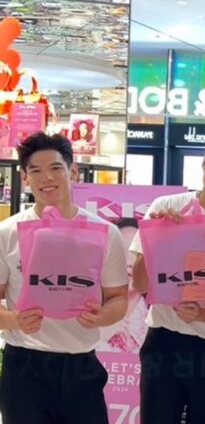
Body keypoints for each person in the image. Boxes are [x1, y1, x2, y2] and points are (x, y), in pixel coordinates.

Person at [0, 132, 128, 424]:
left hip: (81, 365)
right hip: (25, 366)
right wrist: (13, 320)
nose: (47, 178)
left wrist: (103, 315)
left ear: (73, 171)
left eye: (56, 168)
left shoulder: (105, 233)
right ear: (25, 177)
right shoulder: (7, 233)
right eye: (36, 170)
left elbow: (118, 298)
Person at [130, 129, 205, 424]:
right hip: (164, 340)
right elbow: (140, 283)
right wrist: (158, 237)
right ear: (204, 162)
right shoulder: (166, 208)